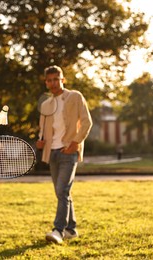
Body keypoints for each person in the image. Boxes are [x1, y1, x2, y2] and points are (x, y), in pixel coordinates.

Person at [36, 65, 92, 244]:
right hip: (52, 153)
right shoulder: (46, 104)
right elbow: (43, 131)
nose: (53, 83)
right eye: (49, 80)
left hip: (69, 151)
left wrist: (74, 144)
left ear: (63, 79)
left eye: (56, 79)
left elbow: (86, 122)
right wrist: (41, 141)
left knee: (62, 191)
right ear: (46, 83)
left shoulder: (75, 97)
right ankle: (71, 229)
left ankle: (58, 230)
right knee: (62, 193)